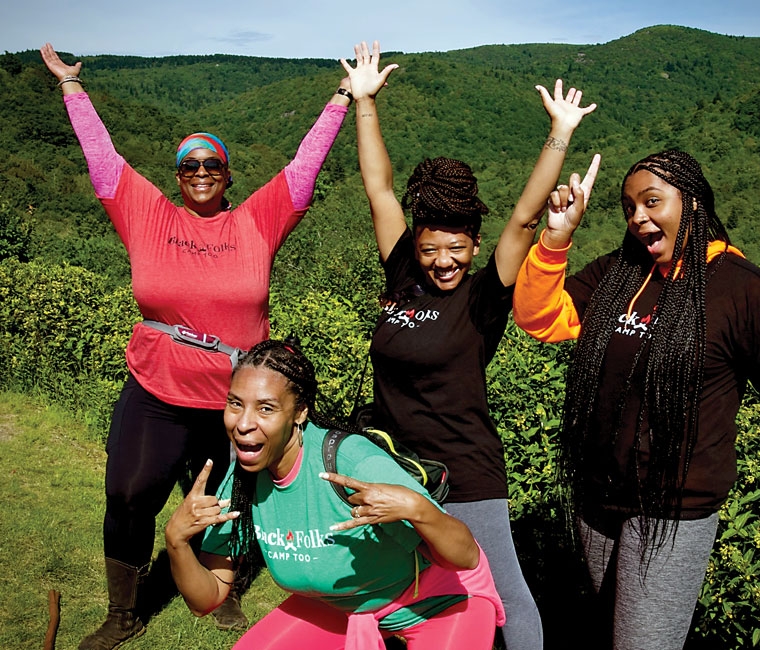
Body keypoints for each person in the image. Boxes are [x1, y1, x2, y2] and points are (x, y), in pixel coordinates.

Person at [39, 43, 353, 649]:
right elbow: (103, 161)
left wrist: (342, 99)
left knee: (229, 497)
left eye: (212, 163)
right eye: (189, 165)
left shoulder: (256, 221)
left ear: (228, 173)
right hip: (156, 387)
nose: (202, 171)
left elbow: (302, 168)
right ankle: (124, 609)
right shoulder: (148, 215)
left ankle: (224, 587)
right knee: (128, 492)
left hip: (234, 400)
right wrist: (72, 89)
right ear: (177, 175)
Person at [512, 149, 760, 649]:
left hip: (673, 509)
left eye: (653, 201)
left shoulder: (746, 291)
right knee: (601, 634)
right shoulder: (620, 273)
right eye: (629, 207)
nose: (638, 217)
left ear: (695, 204)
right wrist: (555, 237)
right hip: (597, 499)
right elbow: (540, 317)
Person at [340, 40, 601, 650]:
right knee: (412, 594)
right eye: (431, 248)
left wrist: (559, 133)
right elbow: (379, 190)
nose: (443, 261)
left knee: (506, 599)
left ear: (475, 245)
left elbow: (524, 220)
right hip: (395, 465)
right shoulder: (403, 274)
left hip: (465, 476)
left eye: (456, 248)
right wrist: (365, 103)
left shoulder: (484, 298)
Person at [165, 338, 505, 649]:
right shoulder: (244, 479)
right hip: (342, 606)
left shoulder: (352, 462)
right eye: (235, 404)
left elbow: (465, 557)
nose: (243, 423)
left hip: (439, 600)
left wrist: (420, 509)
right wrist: (176, 541)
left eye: (266, 408)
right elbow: (207, 598)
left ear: (299, 413)